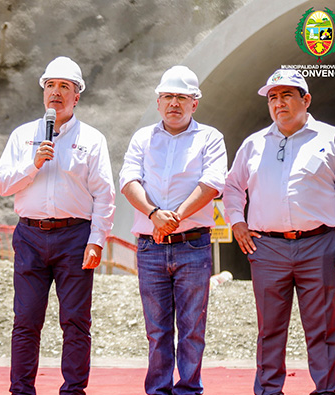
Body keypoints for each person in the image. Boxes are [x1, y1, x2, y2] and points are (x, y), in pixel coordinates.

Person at [224, 68, 335, 395]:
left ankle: (328, 389)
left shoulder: (332, 139)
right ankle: (269, 389)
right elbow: (232, 187)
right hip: (267, 249)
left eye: (287, 95)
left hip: (320, 246)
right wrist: (236, 221)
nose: (278, 103)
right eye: (273, 97)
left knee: (323, 327)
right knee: (269, 328)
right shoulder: (254, 144)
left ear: (306, 99)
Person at [0, 56, 115, 395]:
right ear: (43, 93)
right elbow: (2, 184)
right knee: (26, 320)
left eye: (64, 87)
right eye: (50, 86)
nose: (56, 93)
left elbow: (105, 194)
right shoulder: (22, 136)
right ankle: (21, 390)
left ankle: (73, 389)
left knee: (75, 321)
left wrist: (97, 239)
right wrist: (32, 165)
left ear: (77, 96)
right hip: (30, 236)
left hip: (75, 237)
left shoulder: (92, 139)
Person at [119, 65, 227, 395]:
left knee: (193, 327)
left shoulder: (210, 138)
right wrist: (154, 215)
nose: (174, 103)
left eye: (182, 97)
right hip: (151, 246)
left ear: (195, 103)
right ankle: (158, 390)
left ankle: (189, 389)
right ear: (158, 102)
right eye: (167, 96)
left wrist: (174, 217)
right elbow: (127, 180)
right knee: (157, 329)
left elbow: (212, 183)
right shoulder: (143, 138)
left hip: (193, 245)